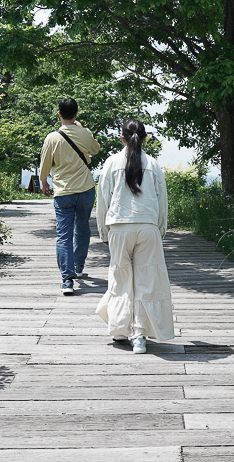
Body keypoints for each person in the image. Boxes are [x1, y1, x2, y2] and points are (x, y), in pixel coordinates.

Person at [95, 119, 173, 354]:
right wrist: (160, 230)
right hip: (147, 226)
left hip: (119, 226)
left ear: (122, 138)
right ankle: (139, 336)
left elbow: (103, 201)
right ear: (145, 137)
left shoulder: (111, 163)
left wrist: (103, 231)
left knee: (120, 277)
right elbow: (162, 201)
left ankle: (120, 329)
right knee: (147, 281)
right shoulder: (154, 164)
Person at [39, 98, 100, 295]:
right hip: (85, 189)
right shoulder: (84, 133)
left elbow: (45, 164)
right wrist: (83, 129)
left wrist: (44, 182)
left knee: (63, 235)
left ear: (59, 114)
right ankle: (79, 267)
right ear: (76, 114)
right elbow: (96, 149)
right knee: (82, 228)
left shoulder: (52, 138)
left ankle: (67, 279)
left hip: (63, 192)